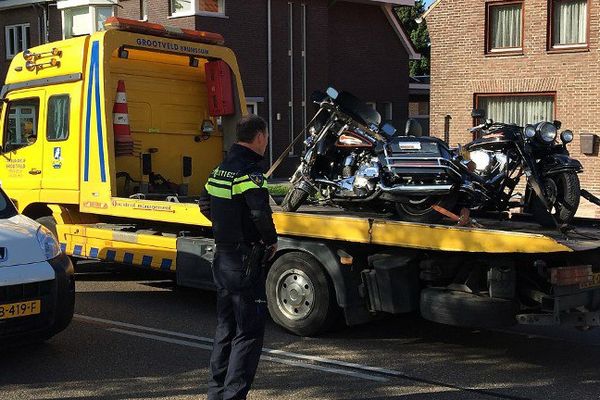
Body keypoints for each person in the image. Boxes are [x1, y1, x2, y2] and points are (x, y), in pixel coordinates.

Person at [200, 114, 278, 400]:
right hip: (245, 261)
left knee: (225, 329)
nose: (266, 142)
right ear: (259, 137)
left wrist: (226, 225)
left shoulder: (219, 170)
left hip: (223, 257)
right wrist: (270, 241)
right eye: (266, 136)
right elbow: (260, 213)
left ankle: (215, 394)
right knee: (248, 333)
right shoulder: (250, 173)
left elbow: (204, 203)